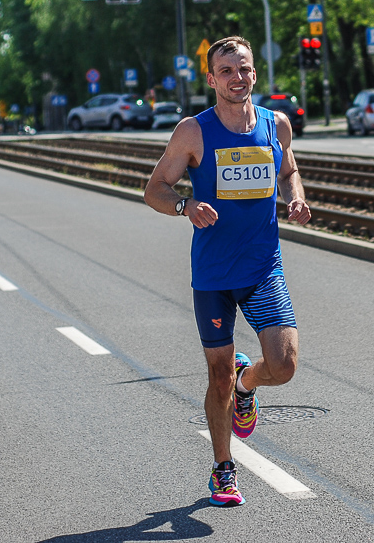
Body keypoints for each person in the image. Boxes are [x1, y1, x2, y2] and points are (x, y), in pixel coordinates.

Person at [144, 36, 311, 508]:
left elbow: (288, 171)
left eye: (244, 69)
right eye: (226, 71)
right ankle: (223, 468)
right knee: (216, 376)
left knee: (284, 365)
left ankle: (247, 383)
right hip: (214, 274)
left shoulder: (277, 124)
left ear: (254, 72)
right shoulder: (193, 132)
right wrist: (185, 205)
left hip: (263, 268)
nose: (237, 78)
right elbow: (154, 189)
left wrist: (295, 196)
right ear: (212, 79)